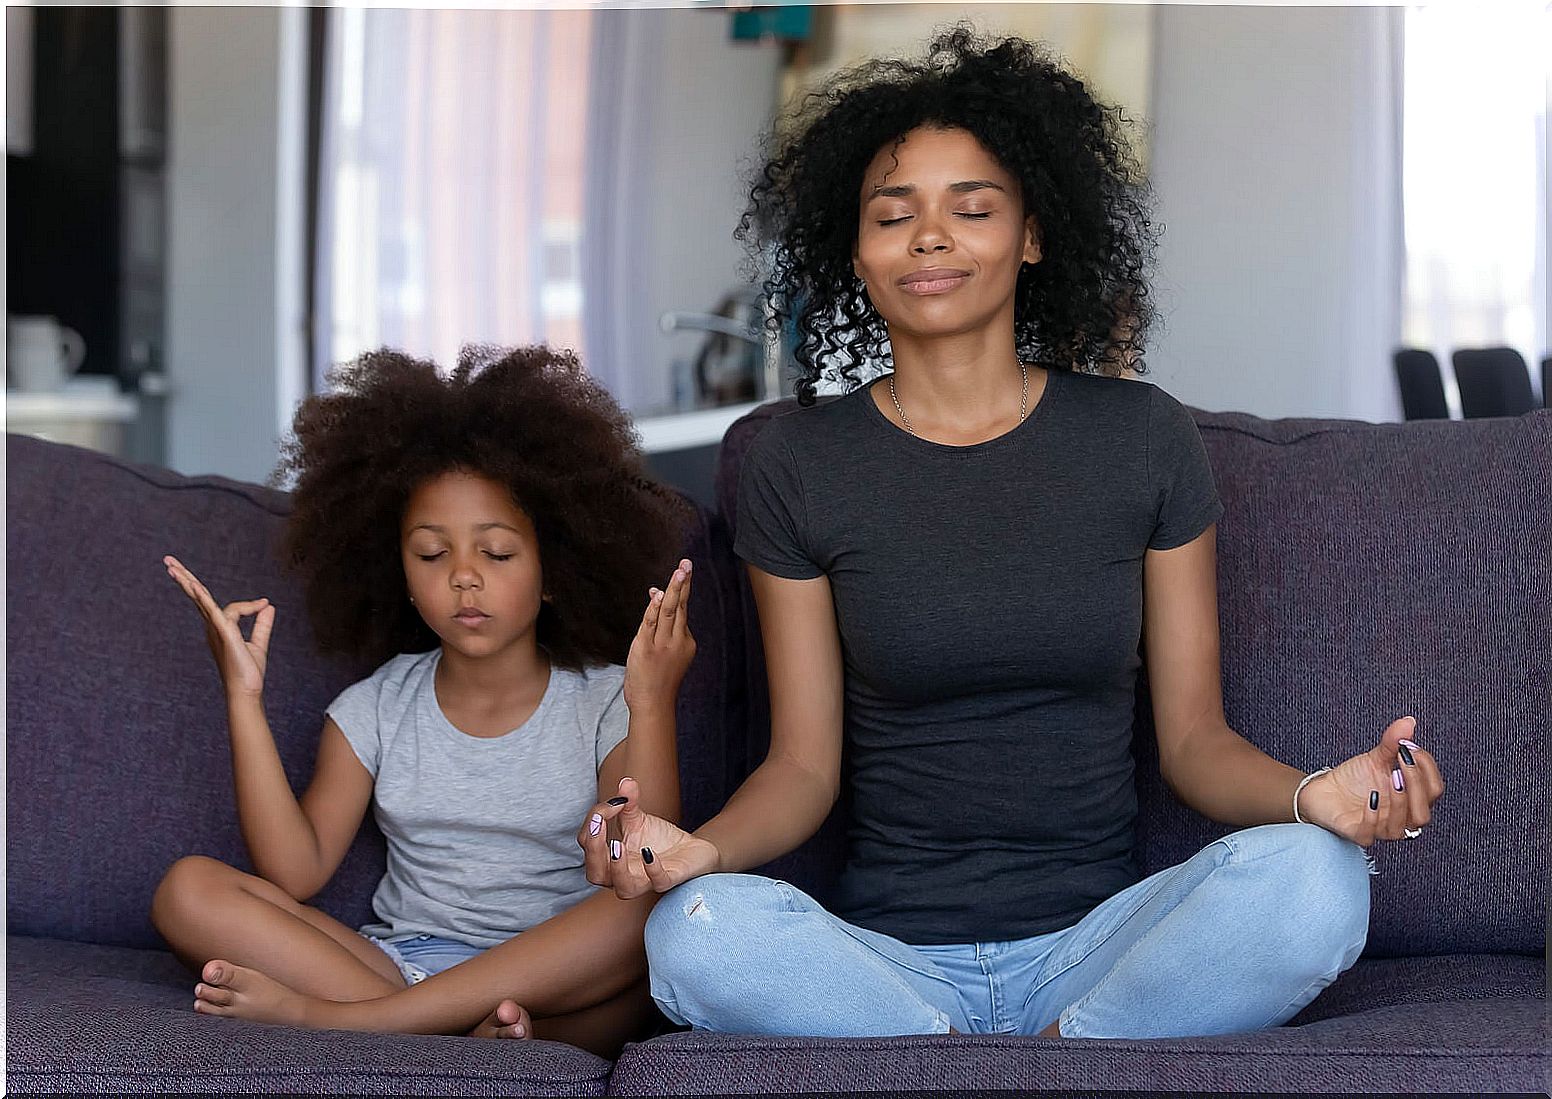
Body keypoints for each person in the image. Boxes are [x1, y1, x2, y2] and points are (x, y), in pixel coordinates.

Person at [580, 27, 1447, 1039]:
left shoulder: (1143, 438)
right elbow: (801, 768)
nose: (930, 237)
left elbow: (1195, 743)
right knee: (694, 928)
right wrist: (696, 852)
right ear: (852, 252)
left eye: (973, 209)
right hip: (885, 963)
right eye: (893, 215)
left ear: (1031, 235)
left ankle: (1031, 1053)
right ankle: (1010, 1057)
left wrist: (1318, 797)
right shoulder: (799, 464)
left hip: (1103, 945)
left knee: (1318, 879)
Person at [151, 345, 697, 1056]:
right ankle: (466, 1031)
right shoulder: (375, 707)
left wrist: (651, 701)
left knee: (646, 906)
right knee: (185, 889)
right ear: (400, 574)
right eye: (432, 555)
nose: (464, 578)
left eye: (496, 553)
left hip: (555, 978)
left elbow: (638, 854)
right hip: (397, 964)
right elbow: (295, 869)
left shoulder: (603, 699)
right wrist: (241, 695)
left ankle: (352, 1022)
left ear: (554, 570)